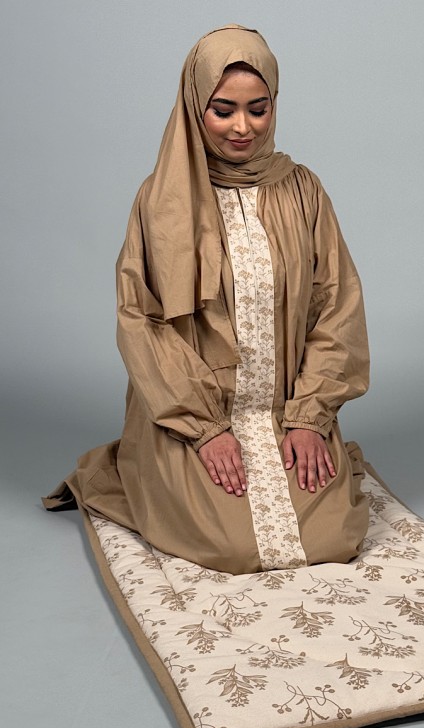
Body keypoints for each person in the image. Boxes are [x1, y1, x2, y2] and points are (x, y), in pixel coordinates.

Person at [45, 25, 370, 575]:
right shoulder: (160, 200)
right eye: (223, 110)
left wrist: (310, 418)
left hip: (287, 410)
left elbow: (337, 306)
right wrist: (205, 429)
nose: (243, 127)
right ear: (196, 106)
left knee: (332, 536)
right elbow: (142, 322)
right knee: (233, 548)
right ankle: (130, 464)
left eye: (258, 109)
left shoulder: (304, 190)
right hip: (190, 415)